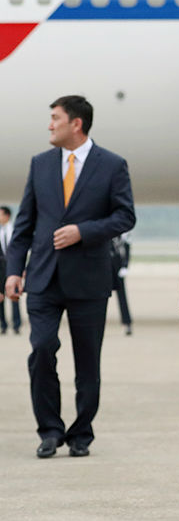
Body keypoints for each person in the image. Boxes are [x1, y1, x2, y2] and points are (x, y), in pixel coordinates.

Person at [4, 95, 135, 459]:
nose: (49, 125)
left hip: (89, 279)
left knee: (87, 362)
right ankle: (49, 429)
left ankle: (81, 433)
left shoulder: (111, 165)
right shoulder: (41, 164)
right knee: (42, 349)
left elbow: (125, 217)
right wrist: (13, 271)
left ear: (76, 123)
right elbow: (25, 226)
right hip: (43, 278)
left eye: (55, 118)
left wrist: (84, 231)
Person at [0, 205, 21, 334]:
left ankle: (16, 325)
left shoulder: (15, 229)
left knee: (14, 297)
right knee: (1, 298)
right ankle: (3, 324)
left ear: (7, 216)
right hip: (0, 269)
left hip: (13, 268)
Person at [110, 232, 132, 335]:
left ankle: (127, 323)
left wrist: (125, 265)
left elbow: (127, 247)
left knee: (122, 295)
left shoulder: (124, 230)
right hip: (103, 262)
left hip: (117, 263)